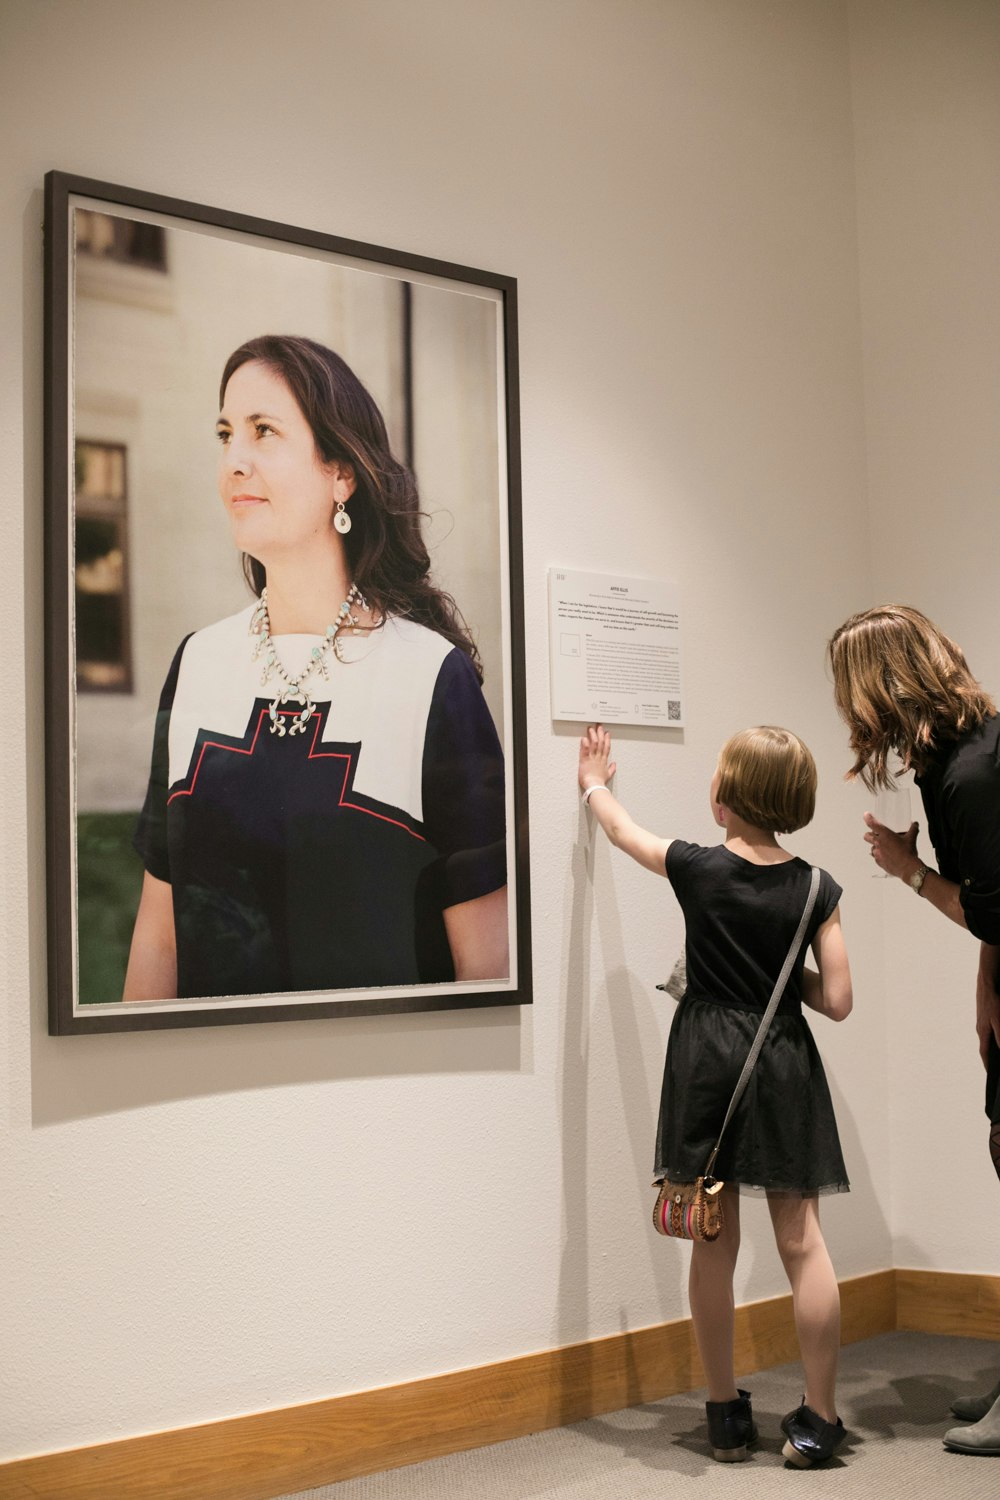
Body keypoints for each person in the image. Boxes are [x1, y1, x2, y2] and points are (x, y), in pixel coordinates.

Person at [123, 334, 507, 1002]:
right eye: (225, 435)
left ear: (342, 474)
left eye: (263, 431)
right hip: (206, 1070)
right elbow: (160, 940)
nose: (234, 461)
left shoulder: (429, 678)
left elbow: (487, 972)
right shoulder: (197, 664)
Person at [578, 723, 853, 1468]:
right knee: (803, 1242)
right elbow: (837, 1000)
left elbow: (625, 833)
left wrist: (595, 784)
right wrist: (776, 971)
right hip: (782, 1059)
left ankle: (725, 1415)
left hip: (707, 1063)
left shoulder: (697, 868)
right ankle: (820, 1419)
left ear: (725, 794)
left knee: (712, 1238)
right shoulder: (817, 888)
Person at [829, 604, 1000, 1456]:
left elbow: (995, 908)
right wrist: (986, 984)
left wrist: (908, 872)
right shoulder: (959, 758)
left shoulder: (970, 773)